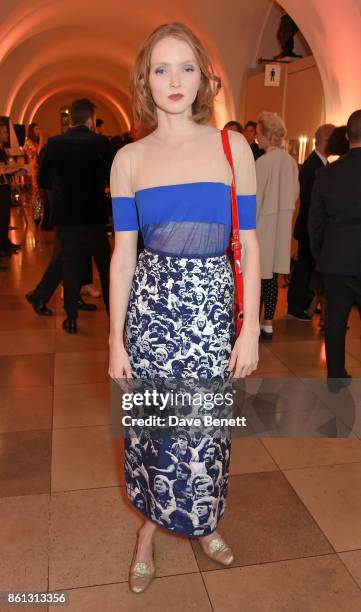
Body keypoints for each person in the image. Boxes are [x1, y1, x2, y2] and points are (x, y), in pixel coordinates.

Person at [108, 22, 260, 594]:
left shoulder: (232, 146)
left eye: (186, 68)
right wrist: (116, 339)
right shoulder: (128, 159)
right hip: (151, 314)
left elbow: (249, 242)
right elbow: (124, 256)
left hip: (211, 311)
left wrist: (248, 332)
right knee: (154, 431)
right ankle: (148, 533)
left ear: (204, 78)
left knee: (206, 432)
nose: (175, 80)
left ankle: (205, 521)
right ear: (146, 80)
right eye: (162, 69)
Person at [26, 98, 112, 333]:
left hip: (66, 215)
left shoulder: (54, 144)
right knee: (104, 267)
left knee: (70, 266)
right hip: (93, 214)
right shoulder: (101, 143)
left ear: (71, 118)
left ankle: (71, 319)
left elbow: (43, 180)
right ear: (91, 119)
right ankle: (113, 318)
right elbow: (110, 175)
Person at [308, 110, 361, 381]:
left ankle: (337, 375)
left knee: (336, 320)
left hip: (336, 256)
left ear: (347, 135)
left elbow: (314, 220)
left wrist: (320, 253)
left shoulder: (328, 174)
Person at [255, 111, 299, 340]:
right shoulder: (291, 161)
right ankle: (268, 322)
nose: (256, 138)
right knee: (272, 276)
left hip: (263, 225)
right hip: (282, 225)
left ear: (266, 134)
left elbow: (254, 199)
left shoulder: (263, 162)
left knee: (256, 274)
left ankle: (252, 321)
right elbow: (295, 194)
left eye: (258, 133)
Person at [287, 124, 335, 320]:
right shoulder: (313, 166)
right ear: (325, 141)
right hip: (309, 226)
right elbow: (310, 203)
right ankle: (296, 306)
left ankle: (304, 302)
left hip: (311, 226)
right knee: (303, 268)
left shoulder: (320, 164)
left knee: (308, 268)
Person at [0, 121, 23, 261]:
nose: (7, 134)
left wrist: (16, 168)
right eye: (3, 132)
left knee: (5, 217)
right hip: (1, 187)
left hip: (5, 186)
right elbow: (2, 169)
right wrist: (12, 168)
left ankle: (5, 244)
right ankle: (2, 247)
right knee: (1, 218)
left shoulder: (3, 150)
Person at [24, 123, 46, 224]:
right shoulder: (28, 142)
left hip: (39, 169)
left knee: (41, 192)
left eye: (39, 128)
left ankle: (41, 215)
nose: (39, 130)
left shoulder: (35, 142)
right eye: (37, 129)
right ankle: (36, 216)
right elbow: (38, 152)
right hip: (34, 170)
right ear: (32, 131)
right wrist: (42, 138)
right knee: (37, 192)